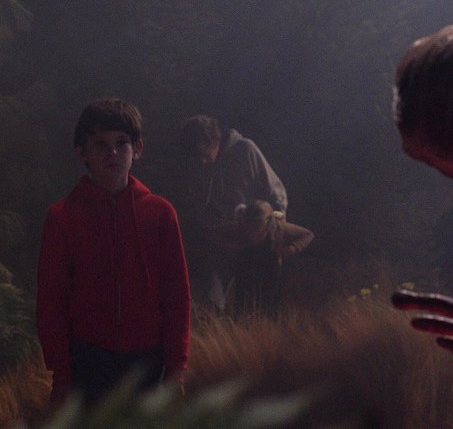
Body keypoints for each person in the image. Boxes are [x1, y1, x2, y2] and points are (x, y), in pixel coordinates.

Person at [36, 98, 191, 408]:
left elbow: (177, 295)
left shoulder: (161, 214)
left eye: (122, 143)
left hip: (149, 361)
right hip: (87, 361)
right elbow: (51, 302)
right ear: (82, 152)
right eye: (101, 144)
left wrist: (176, 367)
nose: (113, 153)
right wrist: (61, 374)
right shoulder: (62, 217)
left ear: (137, 148)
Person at [171, 114, 287, 314]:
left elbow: (276, 191)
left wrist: (275, 228)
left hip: (258, 233)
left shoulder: (245, 150)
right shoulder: (195, 162)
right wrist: (216, 230)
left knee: (258, 296)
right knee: (213, 285)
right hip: (225, 235)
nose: (202, 162)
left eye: (205, 155)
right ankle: (217, 319)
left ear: (215, 141)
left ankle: (259, 322)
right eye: (197, 157)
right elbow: (199, 205)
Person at [228, 200, 314, 312]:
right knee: (242, 302)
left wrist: (292, 248)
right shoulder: (240, 227)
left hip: (270, 269)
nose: (253, 235)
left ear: (266, 226)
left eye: (257, 231)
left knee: (269, 304)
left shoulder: (278, 228)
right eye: (250, 230)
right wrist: (230, 246)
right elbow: (215, 232)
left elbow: (308, 234)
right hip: (246, 267)